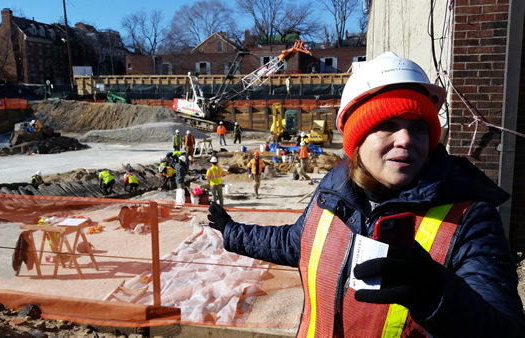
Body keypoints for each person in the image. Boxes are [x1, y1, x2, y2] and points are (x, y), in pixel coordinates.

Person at [207, 52, 525, 336]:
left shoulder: (470, 218)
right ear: (358, 138)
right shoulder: (334, 190)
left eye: (418, 126)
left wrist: (438, 296)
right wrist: (231, 232)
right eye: (388, 124)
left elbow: (505, 326)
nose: (406, 139)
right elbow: (294, 243)